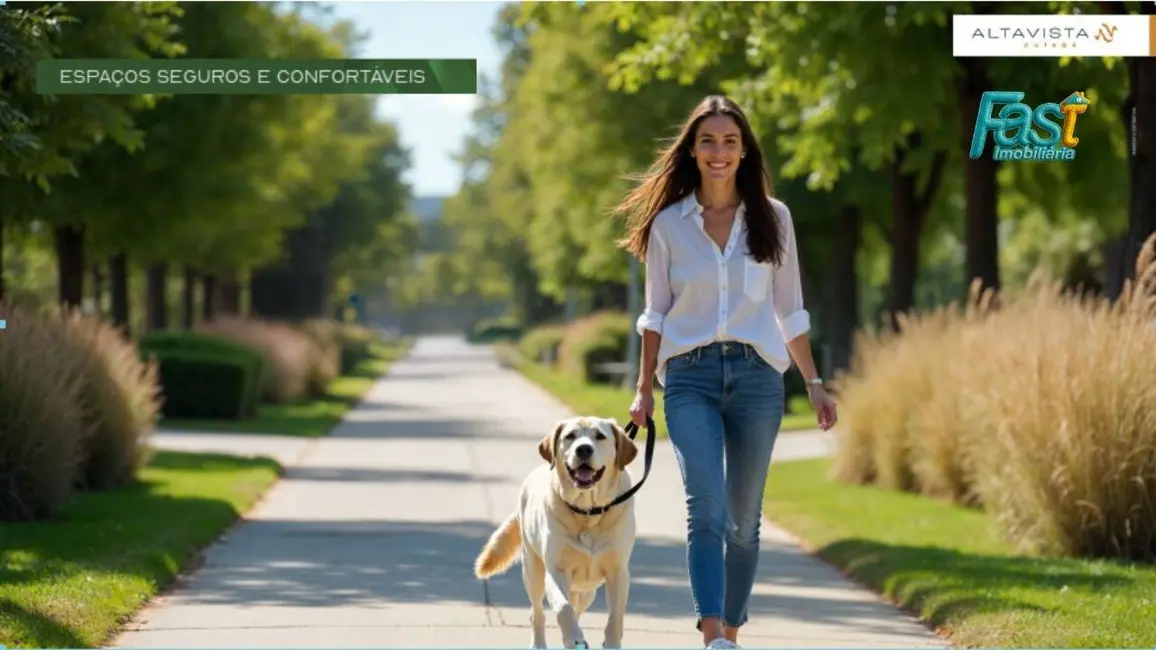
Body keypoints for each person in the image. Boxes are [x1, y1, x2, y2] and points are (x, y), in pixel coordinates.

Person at [616, 95, 838, 649]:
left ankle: (732, 633)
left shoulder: (773, 218)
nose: (719, 152)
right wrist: (643, 390)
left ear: (744, 152)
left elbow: (791, 311)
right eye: (709, 141)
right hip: (688, 378)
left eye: (730, 142)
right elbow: (655, 314)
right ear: (692, 150)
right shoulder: (669, 225)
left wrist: (813, 383)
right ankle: (711, 632)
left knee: (743, 521)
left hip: (757, 378)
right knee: (706, 509)